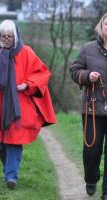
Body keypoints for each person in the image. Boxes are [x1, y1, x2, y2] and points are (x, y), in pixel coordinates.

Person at [0, 19, 56, 189]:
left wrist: (28, 84)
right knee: (3, 144)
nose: (6, 39)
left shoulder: (27, 53)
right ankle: (8, 171)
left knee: (14, 141)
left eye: (10, 36)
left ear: (16, 36)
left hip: (20, 106)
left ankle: (12, 176)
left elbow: (42, 73)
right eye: (3, 36)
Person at [70, 13, 107, 200]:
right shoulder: (88, 49)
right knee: (92, 151)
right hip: (93, 109)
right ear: (101, 27)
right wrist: (86, 76)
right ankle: (91, 179)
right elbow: (74, 70)